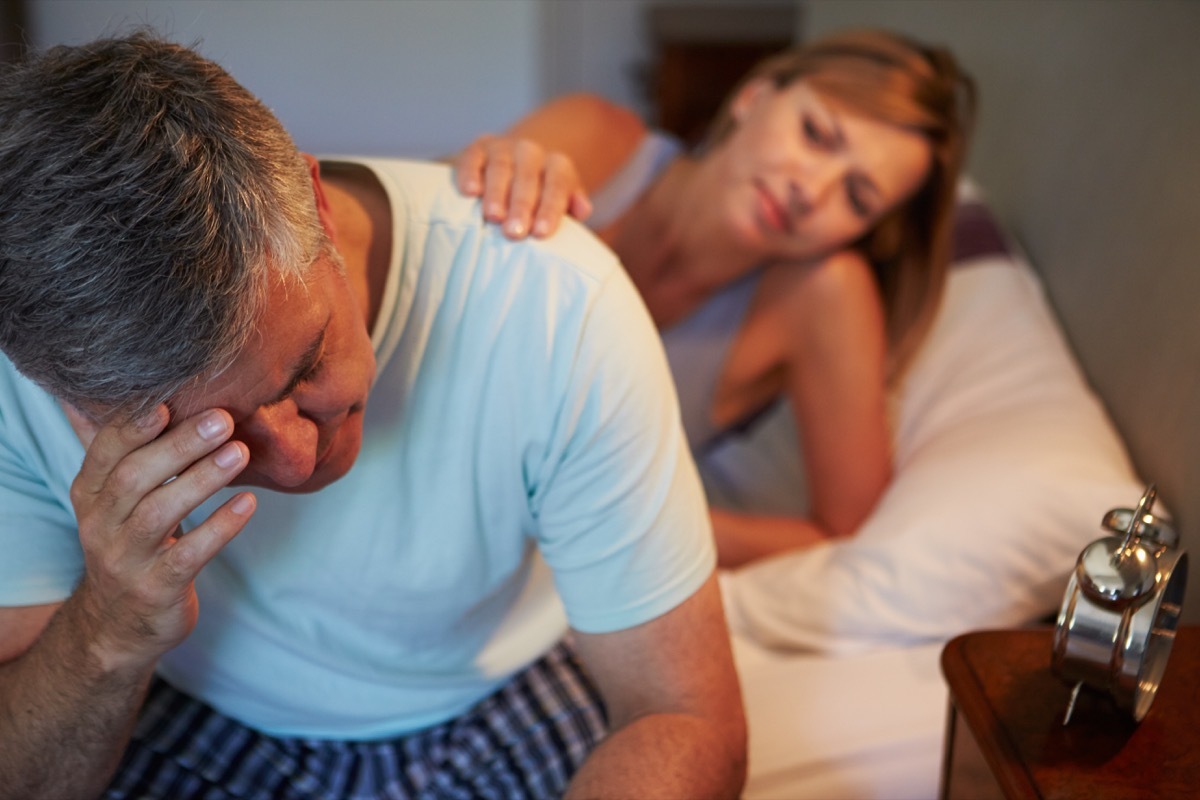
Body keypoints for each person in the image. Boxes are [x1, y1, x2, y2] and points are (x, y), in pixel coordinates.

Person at [0, 32, 746, 799]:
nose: (296, 459)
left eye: (309, 362)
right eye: (206, 441)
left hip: (491, 694)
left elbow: (685, 714)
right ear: (70, 403)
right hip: (192, 706)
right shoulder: (19, 382)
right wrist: (109, 630)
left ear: (316, 204)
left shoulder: (554, 300)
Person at [454, 29, 976, 568]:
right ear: (755, 96)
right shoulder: (594, 137)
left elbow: (844, 531)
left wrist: (639, 522)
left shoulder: (821, 296)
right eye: (816, 135)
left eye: (856, 196)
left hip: (531, 580)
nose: (811, 190)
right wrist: (470, 184)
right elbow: (385, 239)